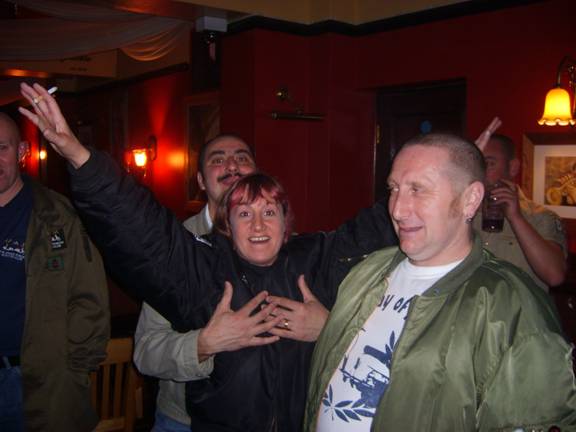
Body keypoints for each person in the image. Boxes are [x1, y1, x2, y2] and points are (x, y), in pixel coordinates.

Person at [18, 82, 397, 432]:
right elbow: (142, 231)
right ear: (226, 224)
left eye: (268, 211)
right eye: (244, 213)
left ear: (286, 221)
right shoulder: (201, 264)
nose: (258, 224)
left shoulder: (313, 259)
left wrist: (330, 328)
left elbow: (375, 233)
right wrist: (80, 157)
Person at [304, 133, 576, 431]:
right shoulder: (367, 271)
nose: (397, 209)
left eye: (418, 190)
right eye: (394, 189)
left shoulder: (511, 304)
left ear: (470, 200)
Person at [133, 134, 264, 432]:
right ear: (202, 181)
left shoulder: (284, 243)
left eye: (242, 158)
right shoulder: (173, 250)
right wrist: (203, 344)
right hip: (184, 422)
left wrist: (322, 326)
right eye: (218, 160)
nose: (232, 165)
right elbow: (145, 351)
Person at [0, 112, 110, 432]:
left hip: (34, 383)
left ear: (22, 152)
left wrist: (74, 369)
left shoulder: (58, 215)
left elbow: (89, 298)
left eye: (2, 148)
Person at [474, 133, 567, 291]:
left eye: (489, 164)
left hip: (517, 307)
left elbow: (554, 276)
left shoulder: (540, 217)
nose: (481, 172)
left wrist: (516, 218)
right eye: (477, 164)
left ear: (513, 168)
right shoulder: (464, 213)